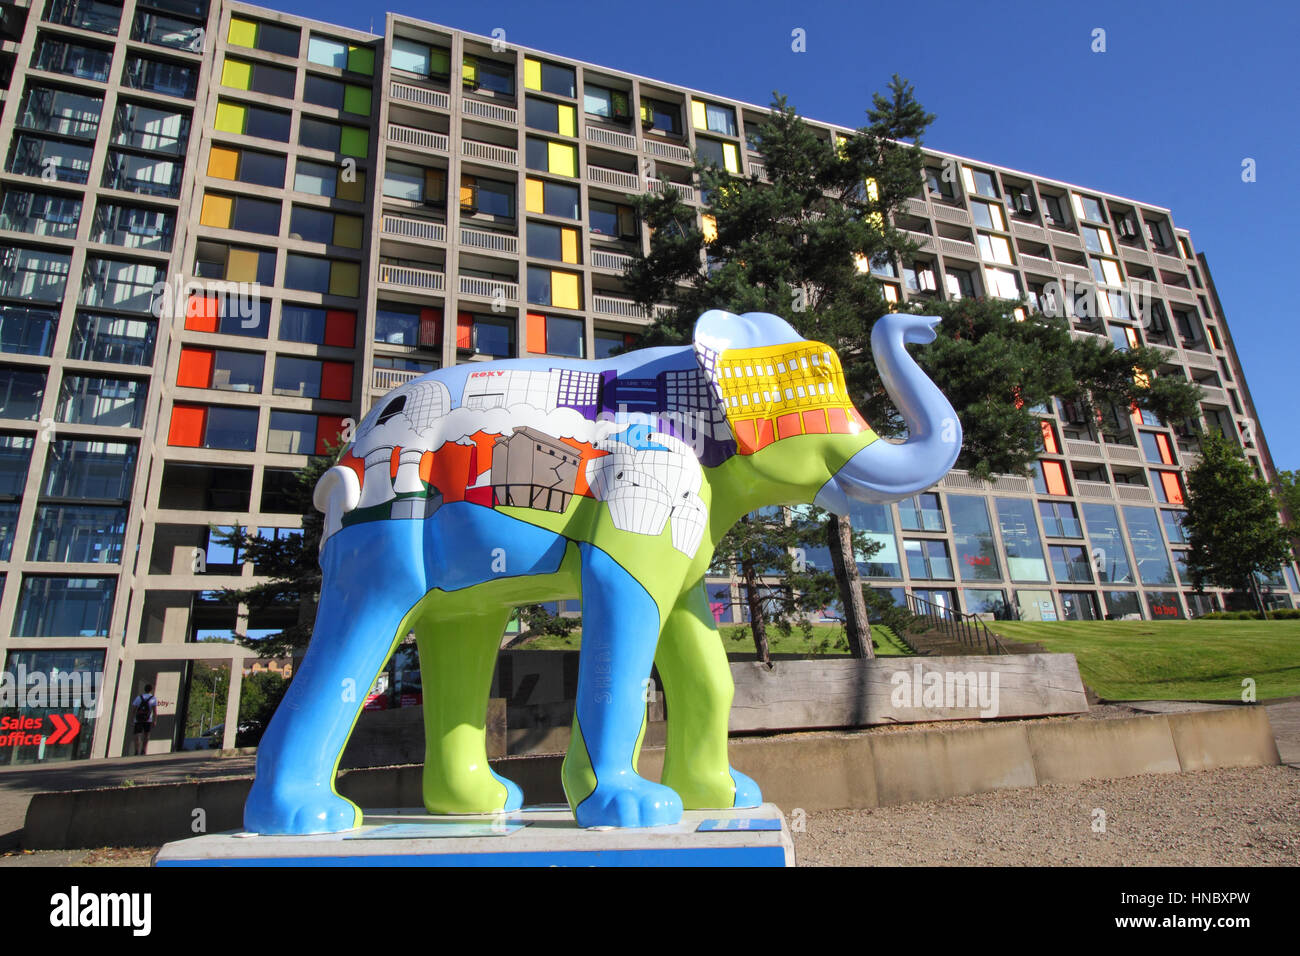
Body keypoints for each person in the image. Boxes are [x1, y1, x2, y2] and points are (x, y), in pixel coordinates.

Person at [131, 684, 157, 756]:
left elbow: (134, 710)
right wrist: (155, 720)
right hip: (148, 719)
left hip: (138, 719)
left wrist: (133, 719)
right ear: (151, 690)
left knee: (137, 735)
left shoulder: (139, 697)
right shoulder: (153, 698)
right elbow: (155, 711)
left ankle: (136, 750)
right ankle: (143, 750)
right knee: (146, 735)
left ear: (144, 689)